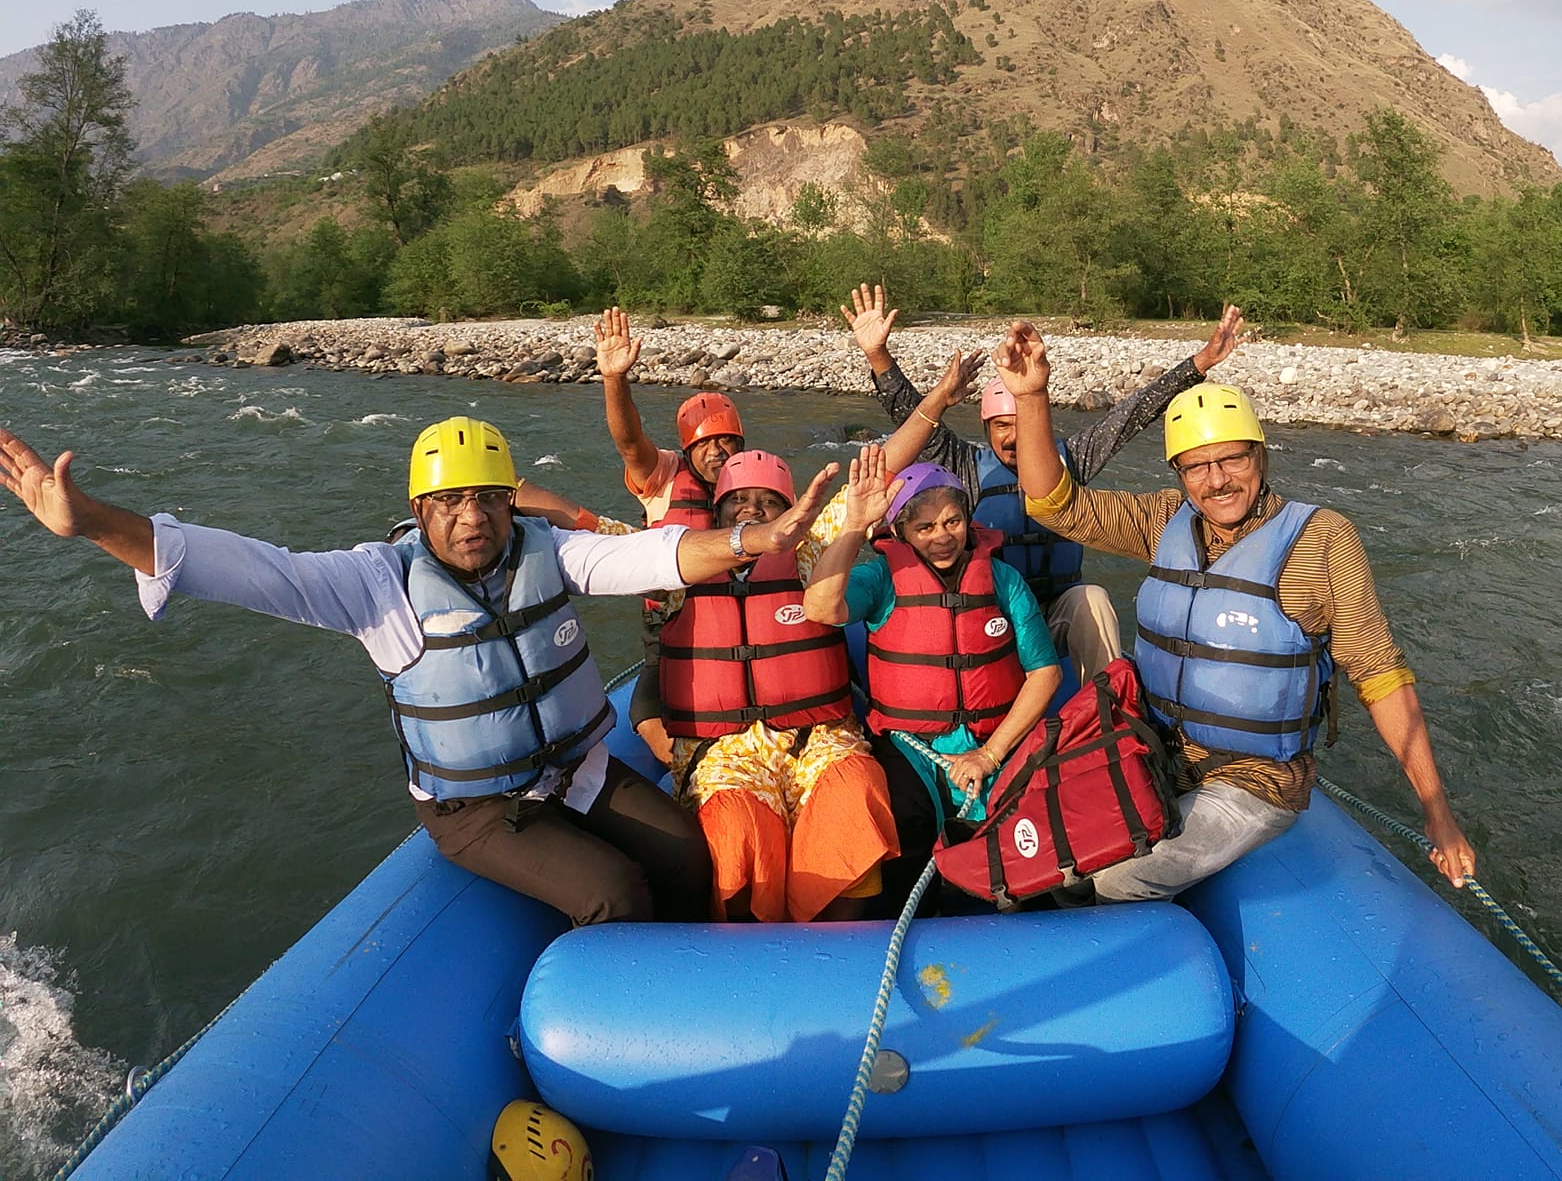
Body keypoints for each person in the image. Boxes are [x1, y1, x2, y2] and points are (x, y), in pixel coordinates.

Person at [0, 415, 834, 927]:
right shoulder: (378, 585)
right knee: (614, 892)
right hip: (477, 809)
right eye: (449, 503)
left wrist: (755, 539)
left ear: (511, 502)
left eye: (489, 499)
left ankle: (701, 975)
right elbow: (246, 568)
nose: (473, 519)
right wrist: (94, 523)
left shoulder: (549, 549)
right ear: (419, 511)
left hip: (575, 772)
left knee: (687, 854)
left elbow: (657, 554)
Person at [990, 324, 1477, 903]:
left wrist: (1437, 811)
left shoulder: (1322, 540)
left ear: (1260, 456)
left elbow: (1380, 674)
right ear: (1179, 475)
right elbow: (1054, 504)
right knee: (1051, 853)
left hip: (1254, 780)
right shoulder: (1164, 520)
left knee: (1114, 879)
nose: (1217, 480)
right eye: (1197, 467)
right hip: (1154, 748)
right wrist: (1031, 397)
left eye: (1232, 460)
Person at [843, 283, 1243, 675]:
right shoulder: (964, 464)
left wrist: (1200, 363)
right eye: (1001, 426)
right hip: (993, 617)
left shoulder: (1072, 460)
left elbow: (1131, 415)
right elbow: (911, 417)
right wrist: (878, 356)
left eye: (1021, 424)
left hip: (1056, 613)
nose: (1012, 437)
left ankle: (1109, 705)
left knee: (1092, 598)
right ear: (986, 429)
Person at [627, 448, 898, 923]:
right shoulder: (679, 565)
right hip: (723, 748)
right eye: (739, 500)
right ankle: (752, 941)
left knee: (854, 789)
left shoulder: (809, 552)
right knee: (734, 826)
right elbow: (597, 544)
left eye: (768, 502)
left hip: (817, 736)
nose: (751, 509)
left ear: (790, 514)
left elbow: (876, 476)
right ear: (717, 512)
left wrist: (933, 409)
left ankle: (839, 937)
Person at [804, 450, 1063, 914]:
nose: (942, 537)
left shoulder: (1003, 580)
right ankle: (915, 922)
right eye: (925, 527)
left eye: (952, 522)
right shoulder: (881, 579)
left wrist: (989, 754)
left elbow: (1045, 672)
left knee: (1025, 824)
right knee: (906, 819)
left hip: (992, 740)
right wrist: (853, 525)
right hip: (909, 744)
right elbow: (821, 607)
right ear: (901, 531)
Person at [592, 305, 744, 531]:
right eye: (702, 443)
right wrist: (614, 379)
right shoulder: (665, 474)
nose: (715, 451)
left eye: (725, 440)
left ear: (740, 444)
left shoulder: (758, 480)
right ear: (687, 450)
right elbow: (630, 444)